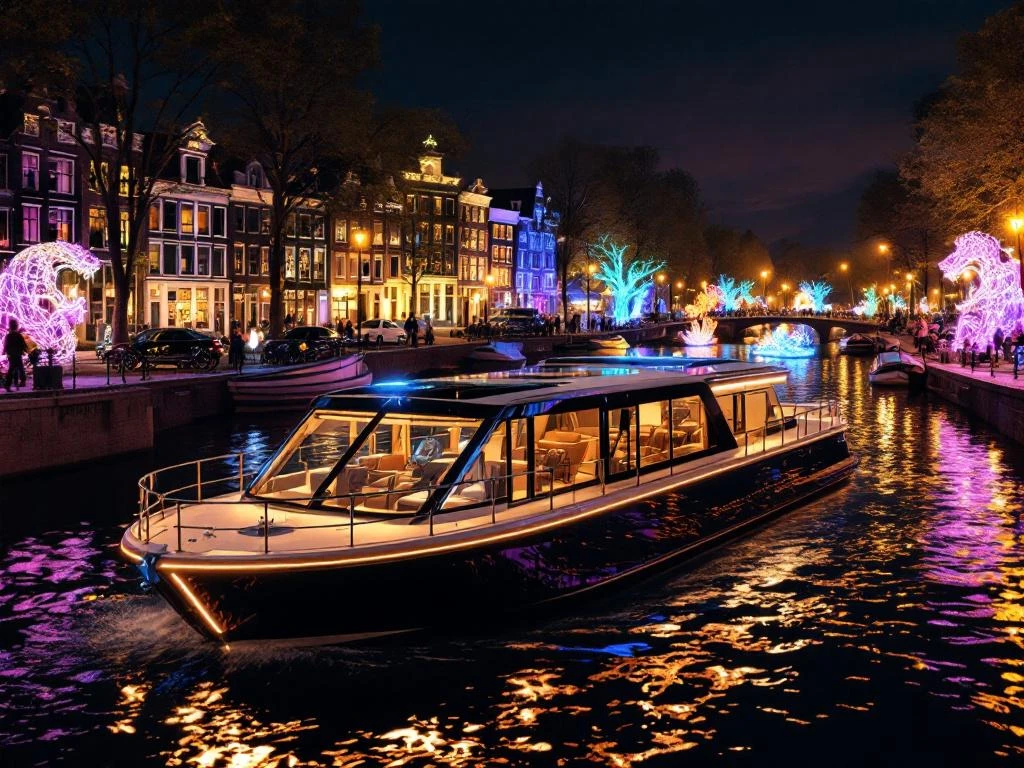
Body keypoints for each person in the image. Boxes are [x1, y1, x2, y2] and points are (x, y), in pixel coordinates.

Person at [3, 318, 28, 392]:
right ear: (17, 326)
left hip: (11, 355)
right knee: (20, 368)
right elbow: (23, 344)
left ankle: (8, 385)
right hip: (17, 354)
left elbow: (6, 345)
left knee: (12, 369)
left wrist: (5, 352)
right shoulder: (18, 335)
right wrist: (24, 350)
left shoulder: (8, 336)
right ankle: (22, 381)